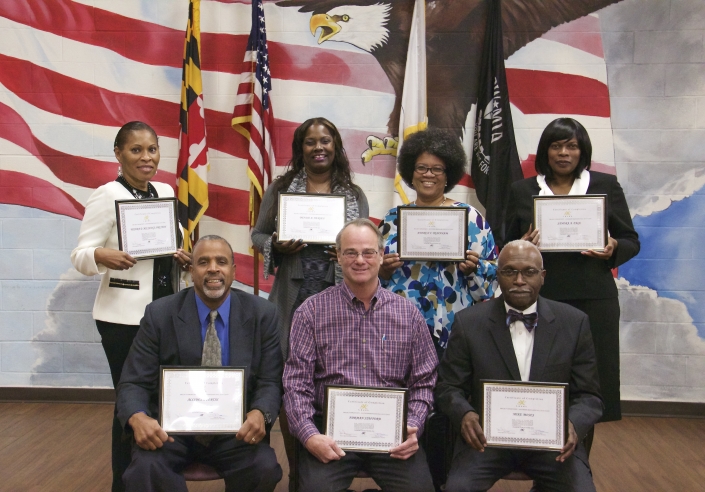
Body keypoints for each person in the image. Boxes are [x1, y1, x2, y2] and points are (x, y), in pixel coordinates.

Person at [70, 121, 191, 491]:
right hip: (122, 318)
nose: (146, 157)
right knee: (130, 406)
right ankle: (122, 484)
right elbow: (79, 255)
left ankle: (156, 478)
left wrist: (184, 255)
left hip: (165, 314)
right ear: (118, 154)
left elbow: (174, 241)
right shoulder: (107, 194)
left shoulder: (165, 190)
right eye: (136, 150)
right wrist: (102, 255)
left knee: (161, 401)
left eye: (152, 149)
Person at [251, 117, 369, 486]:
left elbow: (365, 243)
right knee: (292, 382)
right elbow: (256, 235)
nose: (319, 147)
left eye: (326, 140)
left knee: (336, 377)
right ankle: (298, 470)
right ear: (300, 148)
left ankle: (331, 468)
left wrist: (350, 253)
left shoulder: (354, 193)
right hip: (292, 295)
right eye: (310, 141)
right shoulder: (282, 188)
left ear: (336, 146)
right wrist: (277, 245)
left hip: (339, 298)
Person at [116, 235, 282, 492]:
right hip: (171, 433)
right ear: (191, 271)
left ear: (233, 271)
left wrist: (261, 412)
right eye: (203, 262)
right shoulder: (159, 314)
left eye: (222, 261)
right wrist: (137, 417)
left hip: (234, 432)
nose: (213, 268)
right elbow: (133, 380)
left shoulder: (263, 314)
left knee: (264, 467)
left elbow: (270, 380)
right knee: (144, 469)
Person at [435, 240, 603, 492]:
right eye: (510, 271)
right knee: (458, 488)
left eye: (529, 272)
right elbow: (448, 387)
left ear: (543, 276)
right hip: (487, 441)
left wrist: (573, 423)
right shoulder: (469, 323)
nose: (519, 280)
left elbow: (590, 396)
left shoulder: (573, 323)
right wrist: (464, 414)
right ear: (498, 276)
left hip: (552, 443)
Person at [284, 219, 438, 492]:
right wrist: (310, 437)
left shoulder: (408, 314)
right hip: (330, 434)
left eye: (368, 252)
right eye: (350, 252)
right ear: (338, 258)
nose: (360, 260)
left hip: (393, 435)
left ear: (381, 256)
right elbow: (296, 385)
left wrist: (413, 427)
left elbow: (424, 381)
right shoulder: (310, 312)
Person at [504, 117, 639, 423]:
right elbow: (503, 243)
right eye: (556, 146)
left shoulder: (604, 186)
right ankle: (540, 456)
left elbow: (631, 240)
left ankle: (579, 460)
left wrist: (613, 247)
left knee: (592, 382)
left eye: (571, 146)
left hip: (594, 298)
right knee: (541, 376)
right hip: (541, 298)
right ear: (545, 152)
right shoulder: (523, 191)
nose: (563, 153)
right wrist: (521, 246)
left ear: (582, 151)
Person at [379, 127, 497, 357]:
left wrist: (474, 269)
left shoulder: (471, 218)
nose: (428, 174)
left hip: (455, 325)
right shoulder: (393, 220)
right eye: (421, 167)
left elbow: (492, 278)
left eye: (437, 169)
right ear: (411, 173)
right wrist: (382, 271)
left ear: (448, 175)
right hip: (400, 326)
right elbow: (369, 272)